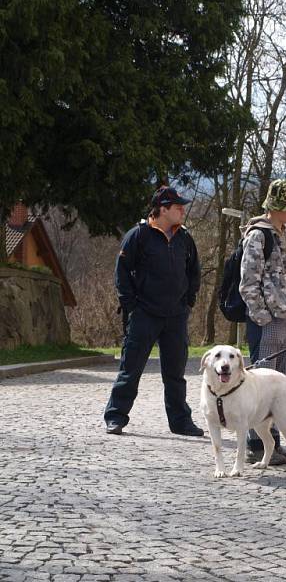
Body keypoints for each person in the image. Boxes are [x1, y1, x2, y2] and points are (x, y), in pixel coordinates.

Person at [104, 186, 203, 436]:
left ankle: (180, 422)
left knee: (176, 374)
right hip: (144, 314)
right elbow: (122, 273)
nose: (183, 210)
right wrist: (132, 306)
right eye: (178, 207)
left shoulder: (184, 238)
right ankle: (115, 416)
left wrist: (187, 302)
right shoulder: (138, 235)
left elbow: (194, 272)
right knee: (131, 369)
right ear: (163, 209)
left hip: (175, 317)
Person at [239, 178, 286, 466]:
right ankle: (256, 443)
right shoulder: (258, 236)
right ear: (278, 207)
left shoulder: (285, 233)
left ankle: (273, 443)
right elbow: (248, 283)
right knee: (260, 384)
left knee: (277, 385)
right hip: (266, 322)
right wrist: (264, 317)